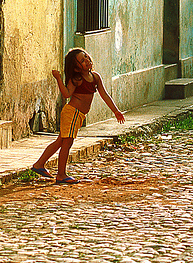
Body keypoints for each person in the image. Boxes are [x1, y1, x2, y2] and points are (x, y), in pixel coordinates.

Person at [32, 48, 125, 184]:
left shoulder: (95, 77)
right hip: (72, 113)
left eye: (86, 57)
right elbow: (67, 94)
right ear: (76, 68)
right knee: (67, 142)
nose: (87, 60)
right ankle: (61, 175)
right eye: (82, 60)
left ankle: (39, 164)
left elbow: (104, 95)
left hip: (78, 115)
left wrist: (116, 111)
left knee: (60, 141)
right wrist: (58, 79)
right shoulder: (77, 79)